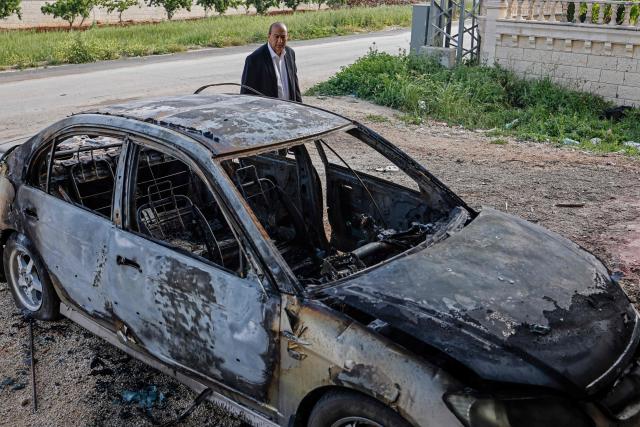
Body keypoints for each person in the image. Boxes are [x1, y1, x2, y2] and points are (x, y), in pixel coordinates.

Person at [240, 22, 302, 102]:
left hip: (289, 111)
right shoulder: (254, 59)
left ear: (287, 37)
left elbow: (295, 87)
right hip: (268, 112)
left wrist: (301, 109)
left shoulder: (290, 54)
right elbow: (246, 94)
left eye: (283, 37)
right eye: (276, 37)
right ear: (269, 36)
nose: (280, 41)